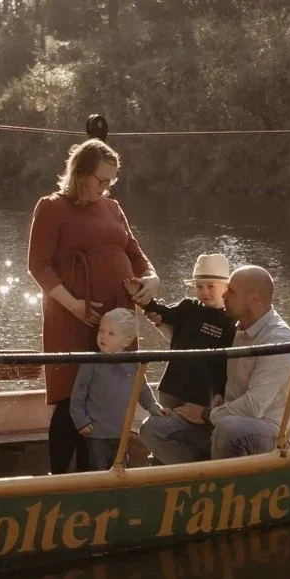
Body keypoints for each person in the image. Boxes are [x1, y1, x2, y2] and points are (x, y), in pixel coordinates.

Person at [27, 137, 154, 474]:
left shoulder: (112, 208)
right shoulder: (51, 207)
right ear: (80, 173)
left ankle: (97, 475)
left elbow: (135, 253)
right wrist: (74, 306)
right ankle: (58, 478)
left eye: (111, 181)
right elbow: (38, 265)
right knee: (72, 397)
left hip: (116, 315)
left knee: (111, 394)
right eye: (101, 180)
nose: (106, 187)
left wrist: (150, 279)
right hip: (71, 316)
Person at [137, 252, 237, 465]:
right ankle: (161, 466)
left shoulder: (231, 322)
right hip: (171, 389)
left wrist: (218, 391)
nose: (204, 292)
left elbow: (224, 363)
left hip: (202, 396)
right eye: (199, 286)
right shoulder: (188, 307)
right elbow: (161, 312)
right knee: (162, 434)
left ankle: (196, 468)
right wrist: (142, 298)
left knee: (195, 435)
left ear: (226, 287)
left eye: (211, 286)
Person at [209, 264, 290, 459]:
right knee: (156, 428)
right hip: (234, 422)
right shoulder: (239, 328)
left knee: (228, 429)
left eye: (231, 292)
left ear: (254, 298)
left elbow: (254, 407)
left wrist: (206, 415)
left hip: (277, 435)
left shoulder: (279, 339)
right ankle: (197, 477)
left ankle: (223, 484)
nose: (224, 296)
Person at [71, 307, 145, 471]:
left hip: (122, 431)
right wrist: (81, 421)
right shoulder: (91, 363)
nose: (103, 337)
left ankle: (119, 496)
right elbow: (78, 395)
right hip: (97, 432)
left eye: (111, 334)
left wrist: (153, 407)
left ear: (126, 341)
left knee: (120, 467)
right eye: (101, 331)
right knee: (98, 467)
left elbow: (142, 388)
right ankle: (99, 495)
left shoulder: (133, 362)